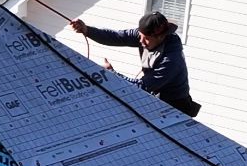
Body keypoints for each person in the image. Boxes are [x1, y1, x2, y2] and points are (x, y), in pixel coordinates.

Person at [71, 10, 199, 117]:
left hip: (174, 107)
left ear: (160, 37)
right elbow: (116, 37)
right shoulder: (144, 35)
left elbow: (141, 87)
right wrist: (87, 30)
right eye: (140, 36)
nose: (141, 42)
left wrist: (112, 74)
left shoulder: (171, 60)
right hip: (155, 98)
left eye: (146, 39)